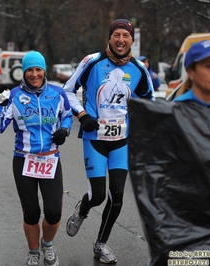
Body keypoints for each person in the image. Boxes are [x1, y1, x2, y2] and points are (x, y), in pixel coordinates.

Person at [127, 40, 210, 266]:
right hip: (175, 229)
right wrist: (160, 231)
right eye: (209, 66)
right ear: (190, 71)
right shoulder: (166, 118)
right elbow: (148, 180)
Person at [63, 18, 154, 264]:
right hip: (95, 138)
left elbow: (148, 101)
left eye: (126, 35)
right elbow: (67, 91)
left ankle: (101, 244)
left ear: (132, 40)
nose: (121, 40)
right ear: (110, 38)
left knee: (117, 196)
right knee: (98, 196)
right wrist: (82, 116)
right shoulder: (92, 62)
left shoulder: (138, 69)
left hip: (122, 141)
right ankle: (82, 211)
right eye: (117, 35)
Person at [0, 51, 73, 266]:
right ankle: (34, 251)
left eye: (38, 69)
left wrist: (64, 130)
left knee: (54, 212)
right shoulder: (14, 96)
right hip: (24, 160)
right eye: (30, 70)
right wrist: (1, 105)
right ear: (24, 72)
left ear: (44, 71)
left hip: (50, 160)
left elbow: (67, 115)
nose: (34, 74)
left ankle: (47, 245)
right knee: (32, 212)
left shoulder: (57, 93)